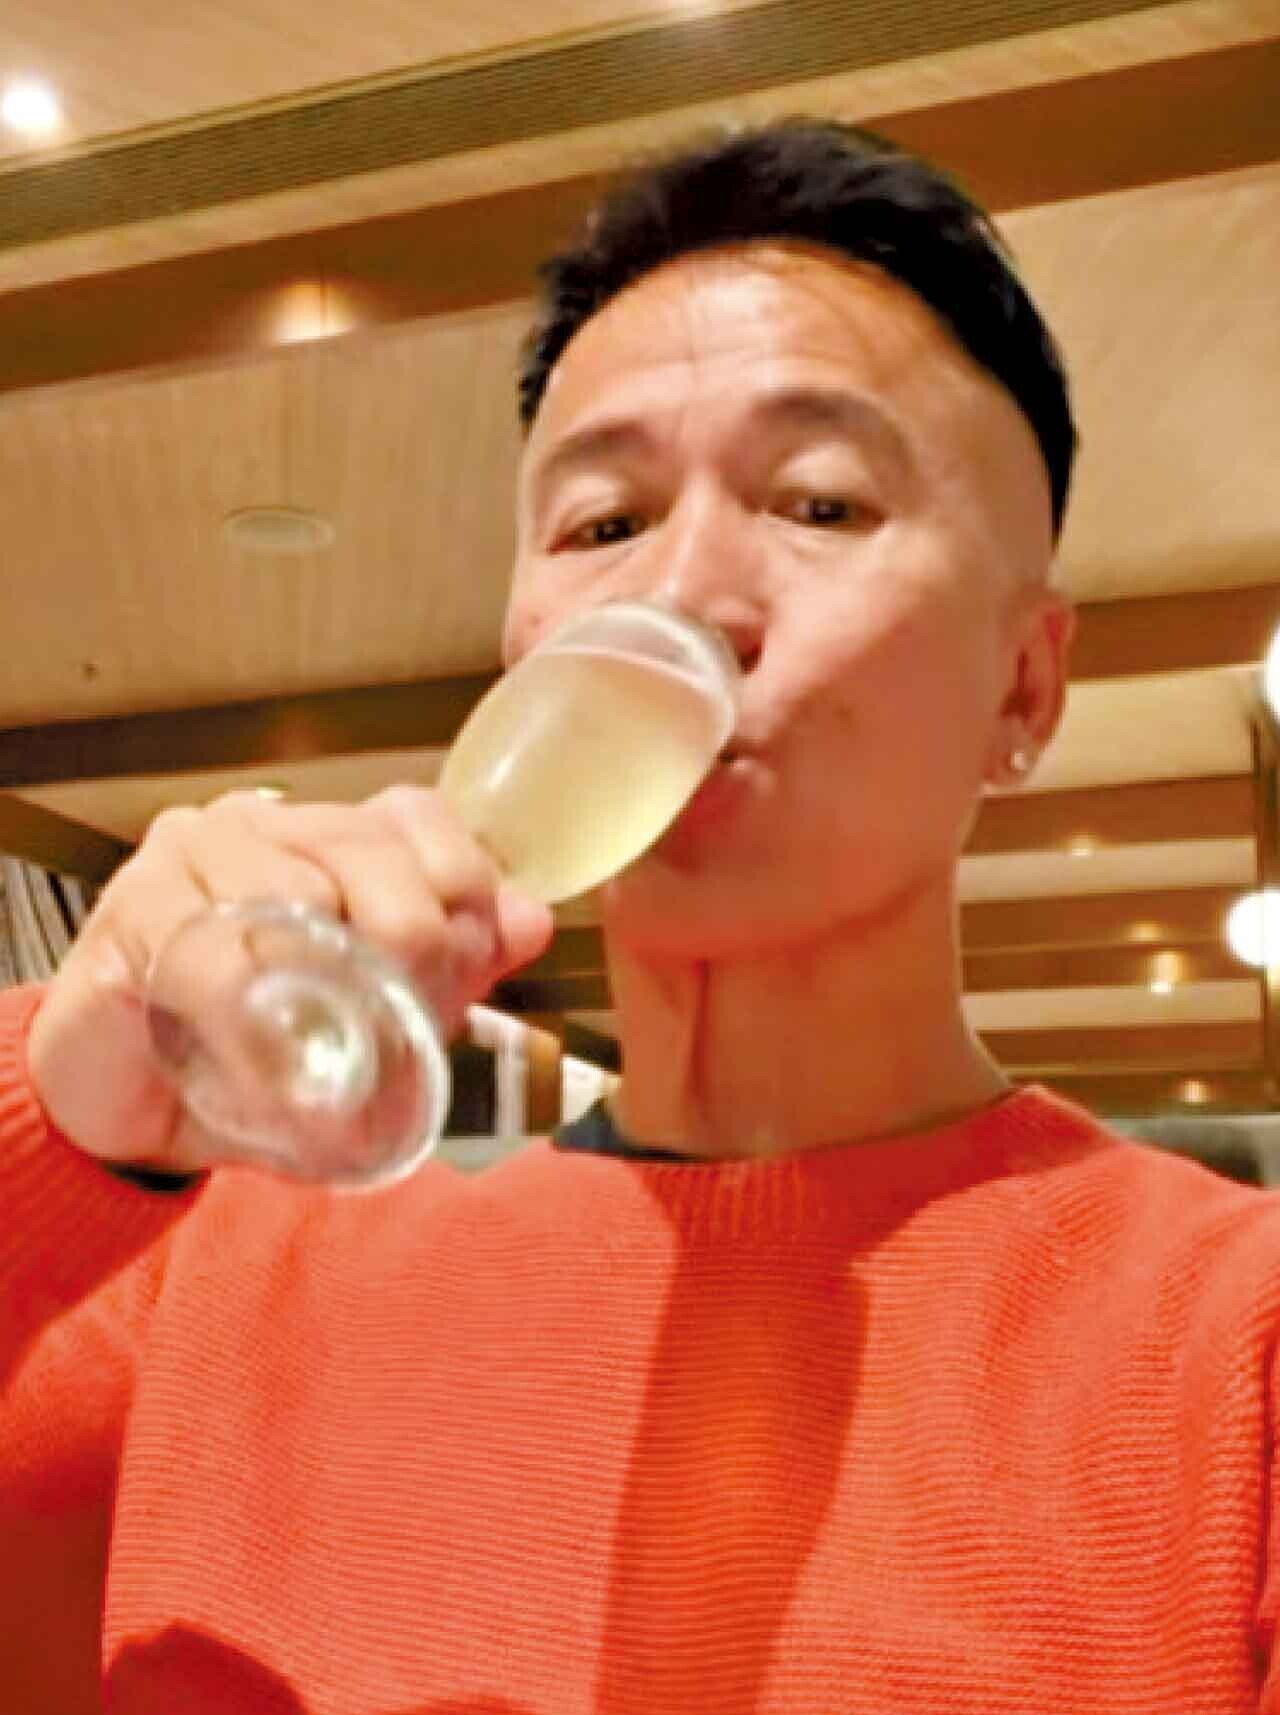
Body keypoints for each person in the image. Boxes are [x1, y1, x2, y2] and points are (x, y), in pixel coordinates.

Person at [2, 119, 1278, 1714]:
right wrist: (60, 1107)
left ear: (1025, 686)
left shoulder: (1232, 1338)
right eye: (603, 526)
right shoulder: (194, 1285)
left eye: (820, 505)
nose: (676, 597)